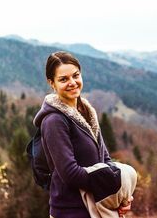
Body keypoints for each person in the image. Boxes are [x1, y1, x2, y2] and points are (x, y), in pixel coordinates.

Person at [33, 51, 133, 218]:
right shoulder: (54, 121)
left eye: (76, 76)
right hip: (71, 211)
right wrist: (112, 184)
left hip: (98, 206)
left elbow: (105, 160)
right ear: (52, 83)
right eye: (63, 79)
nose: (72, 83)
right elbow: (71, 173)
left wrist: (121, 197)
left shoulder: (86, 112)